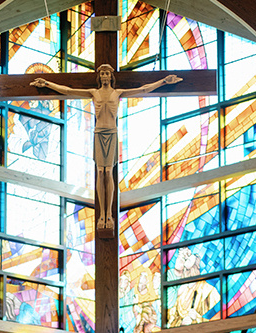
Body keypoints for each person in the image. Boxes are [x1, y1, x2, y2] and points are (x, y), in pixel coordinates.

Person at [31, 65, 181, 230]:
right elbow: (68, 90)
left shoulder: (117, 93)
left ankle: (108, 214)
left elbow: (143, 89)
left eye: (106, 73)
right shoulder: (94, 93)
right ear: (99, 76)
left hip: (112, 133)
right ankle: (101, 214)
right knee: (100, 171)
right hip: (98, 133)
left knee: (108, 171)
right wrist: (47, 84)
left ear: (111, 76)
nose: (103, 76)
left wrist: (163, 81)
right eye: (101, 73)